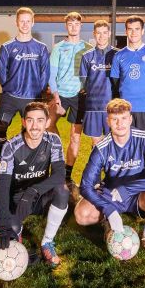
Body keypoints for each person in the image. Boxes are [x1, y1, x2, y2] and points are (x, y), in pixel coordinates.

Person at [74, 99, 145, 260]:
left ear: (130, 119)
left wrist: (128, 189)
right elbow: (85, 186)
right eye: (115, 119)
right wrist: (108, 208)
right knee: (81, 214)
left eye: (124, 118)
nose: (120, 124)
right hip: (111, 195)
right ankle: (107, 221)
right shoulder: (101, 148)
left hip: (140, 195)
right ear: (108, 121)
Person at [0, 102, 70, 267]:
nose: (35, 126)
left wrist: (34, 190)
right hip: (17, 198)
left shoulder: (53, 140)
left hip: (39, 194)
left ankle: (47, 242)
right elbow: (4, 185)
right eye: (30, 120)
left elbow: (59, 174)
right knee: (9, 236)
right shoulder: (10, 146)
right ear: (23, 122)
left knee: (63, 191)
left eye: (40, 120)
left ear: (47, 122)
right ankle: (17, 233)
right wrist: (3, 225)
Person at [0, 7, 51, 162]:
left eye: (28, 21)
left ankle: (26, 169)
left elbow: (44, 74)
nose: (25, 24)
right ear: (16, 22)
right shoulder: (7, 47)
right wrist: (10, 87)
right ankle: (3, 169)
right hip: (10, 98)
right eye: (22, 21)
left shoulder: (41, 48)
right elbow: (2, 73)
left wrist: (35, 91)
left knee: (32, 133)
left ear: (32, 23)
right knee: (0, 131)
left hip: (31, 99)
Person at [47, 12, 90, 188]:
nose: (73, 27)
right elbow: (51, 75)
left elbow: (91, 73)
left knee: (75, 137)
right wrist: (56, 99)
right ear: (66, 26)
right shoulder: (58, 47)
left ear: (80, 26)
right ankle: (58, 153)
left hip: (79, 96)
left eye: (76, 24)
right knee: (48, 124)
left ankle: (67, 174)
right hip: (61, 94)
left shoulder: (87, 48)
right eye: (70, 24)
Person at [75, 19, 119, 188]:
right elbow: (84, 83)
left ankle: (111, 179)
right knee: (97, 145)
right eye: (98, 33)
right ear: (94, 35)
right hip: (93, 107)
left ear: (109, 34)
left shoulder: (117, 55)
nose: (101, 36)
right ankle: (95, 180)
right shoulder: (87, 56)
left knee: (113, 144)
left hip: (111, 108)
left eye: (104, 33)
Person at [109, 16, 145, 134]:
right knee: (126, 145)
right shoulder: (119, 55)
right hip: (126, 109)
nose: (133, 32)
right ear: (126, 31)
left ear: (143, 31)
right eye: (130, 29)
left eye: (137, 29)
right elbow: (115, 82)